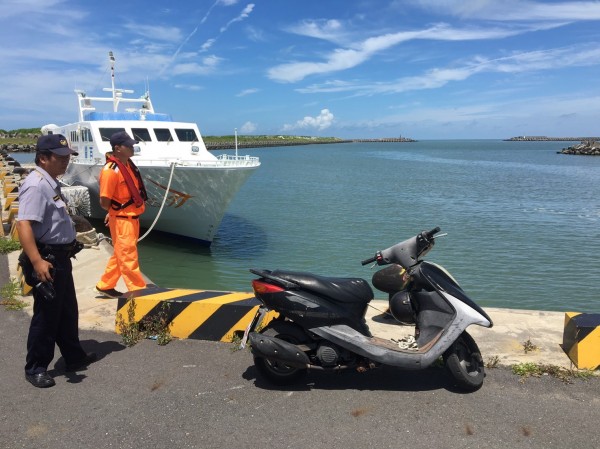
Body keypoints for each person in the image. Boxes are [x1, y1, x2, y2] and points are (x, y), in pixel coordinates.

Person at [17, 134, 96, 388]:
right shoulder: (36, 185)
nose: (66, 162)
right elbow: (24, 225)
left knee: (66, 310)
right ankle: (36, 367)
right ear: (43, 158)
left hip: (61, 257)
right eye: (60, 158)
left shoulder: (51, 183)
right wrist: (37, 261)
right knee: (47, 316)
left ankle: (73, 356)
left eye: (67, 157)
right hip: (47, 260)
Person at [95, 131, 147, 298]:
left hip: (131, 218)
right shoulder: (111, 170)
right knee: (128, 257)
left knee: (121, 253)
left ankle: (106, 285)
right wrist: (113, 213)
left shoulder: (127, 165)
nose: (132, 147)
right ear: (117, 148)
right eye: (128, 145)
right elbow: (104, 201)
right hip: (123, 220)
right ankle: (138, 291)